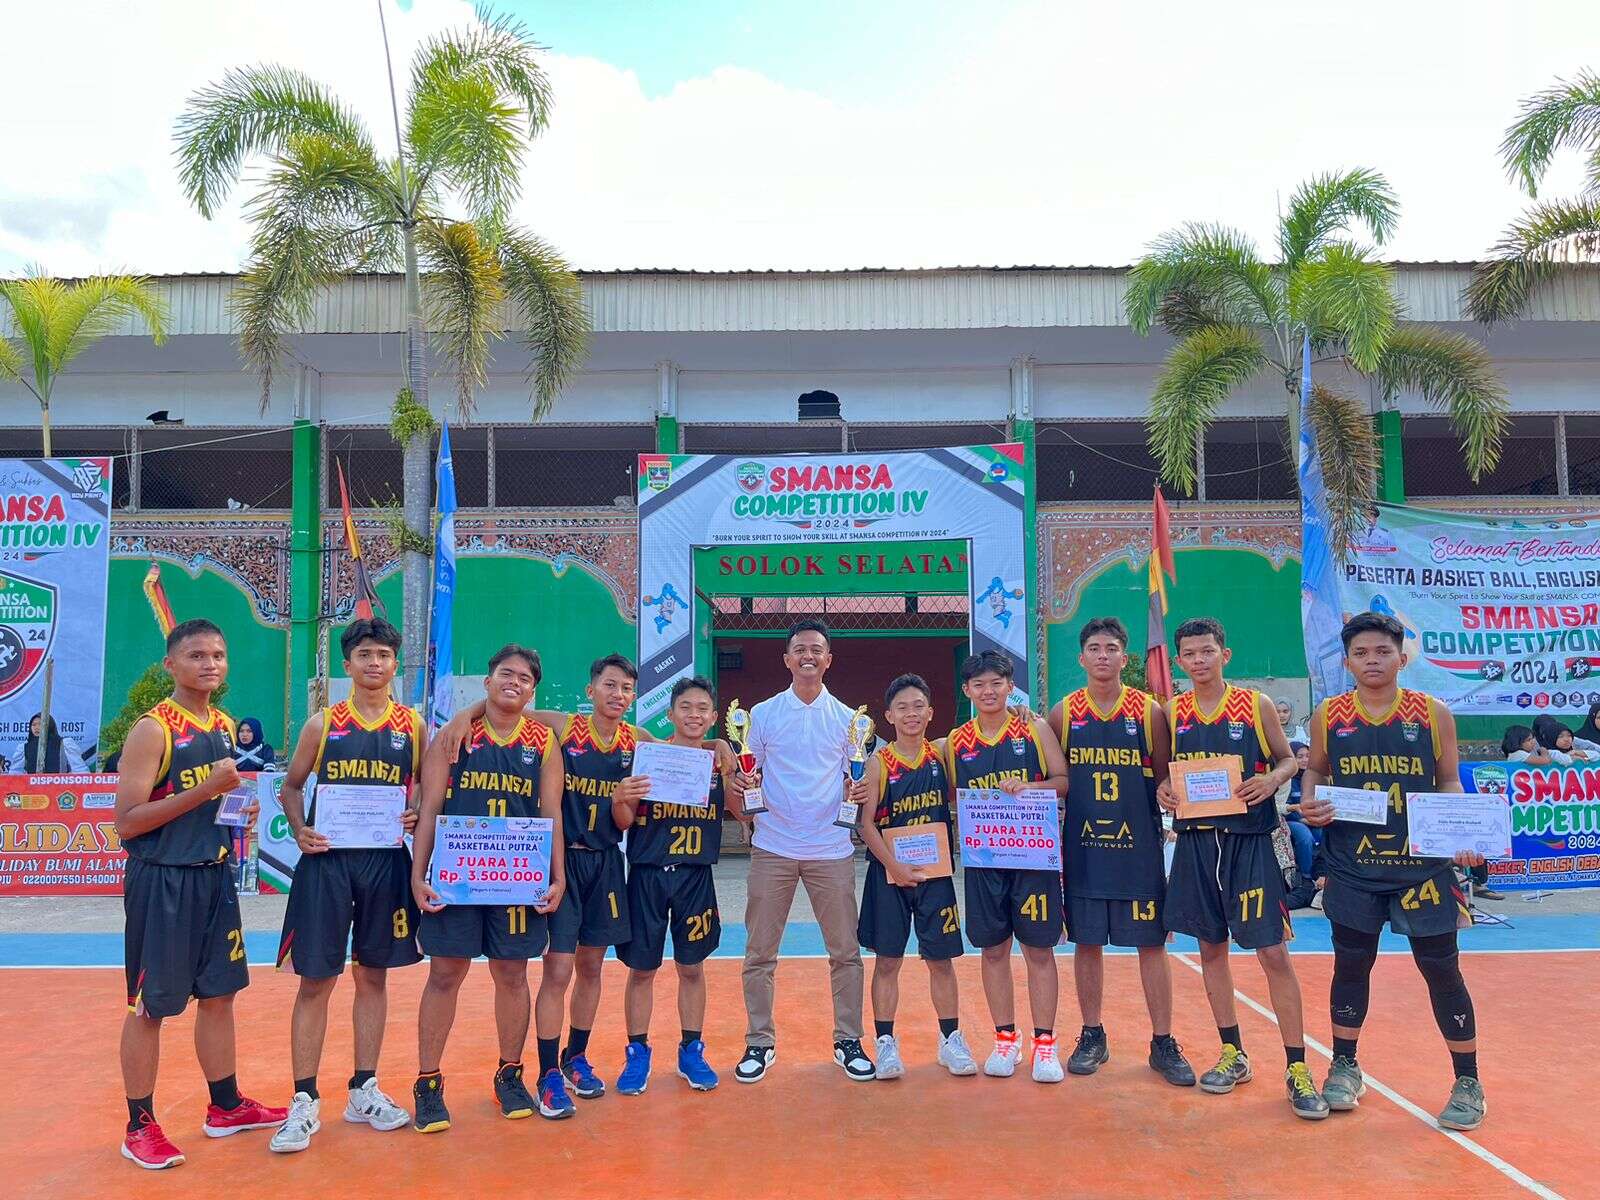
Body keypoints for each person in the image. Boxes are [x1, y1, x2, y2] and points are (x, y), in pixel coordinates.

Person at [437, 652, 653, 1108]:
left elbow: (681, 750)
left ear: (634, 697)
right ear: (591, 690)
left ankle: (577, 1057)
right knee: (557, 970)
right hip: (560, 861)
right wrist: (462, 714)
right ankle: (548, 1070)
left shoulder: (636, 740)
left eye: (626, 689)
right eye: (609, 685)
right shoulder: (564, 727)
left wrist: (720, 745)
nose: (618, 694)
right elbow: (507, 706)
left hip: (606, 864)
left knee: (592, 968)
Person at [1300, 611, 1489, 1131]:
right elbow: (1315, 769)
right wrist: (1311, 801)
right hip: (1353, 865)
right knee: (1351, 967)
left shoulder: (1433, 713)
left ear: (1402, 657)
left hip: (1421, 869)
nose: (1372, 661)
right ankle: (1344, 1066)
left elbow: (1448, 780)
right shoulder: (1329, 714)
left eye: (1382, 651)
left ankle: (1468, 1081)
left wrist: (1461, 832)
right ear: (1347, 662)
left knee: (1442, 971)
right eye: (1360, 653)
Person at [113, 618, 285, 1169]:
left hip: (214, 876)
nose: (209, 664)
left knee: (219, 996)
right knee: (150, 1006)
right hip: (163, 880)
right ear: (171, 665)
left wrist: (237, 813)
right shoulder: (153, 729)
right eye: (196, 655)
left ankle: (226, 1105)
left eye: (217, 655)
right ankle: (139, 1125)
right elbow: (127, 821)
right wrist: (207, 789)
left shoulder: (224, 725)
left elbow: (212, 803)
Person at [1159, 617, 1329, 1120]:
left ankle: (1297, 1067)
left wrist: (1271, 781)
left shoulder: (1254, 704)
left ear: (1224, 655)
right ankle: (1233, 1052)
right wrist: (1163, 790)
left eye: (1207, 651)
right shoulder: (1172, 711)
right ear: (1179, 661)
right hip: (1197, 844)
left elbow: (1288, 761)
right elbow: (1164, 775)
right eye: (1190, 654)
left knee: (1272, 953)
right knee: (1210, 949)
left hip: (1250, 842)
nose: (1199, 660)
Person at [270, 618, 425, 1154]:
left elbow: (423, 786)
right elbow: (292, 787)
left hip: (385, 862)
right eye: (365, 655)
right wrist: (299, 829)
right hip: (328, 864)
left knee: (373, 976)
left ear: (395, 664)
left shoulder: (413, 725)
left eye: (383, 654)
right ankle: (304, 1098)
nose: (374, 663)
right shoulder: (323, 723)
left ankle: (363, 1089)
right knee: (315, 980)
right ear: (348, 664)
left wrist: (415, 810)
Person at [409, 645, 567, 1131]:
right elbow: (430, 808)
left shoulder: (542, 741)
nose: (514, 682)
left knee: (513, 974)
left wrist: (558, 876)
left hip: (516, 878)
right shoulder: (454, 735)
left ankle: (509, 1074)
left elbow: (551, 813)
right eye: (505, 673)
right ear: (488, 680)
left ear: (533, 690)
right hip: (458, 876)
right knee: (445, 974)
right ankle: (428, 1083)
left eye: (524, 678)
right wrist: (418, 874)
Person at [1048, 617, 1194, 1087]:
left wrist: (1170, 791)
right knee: (1086, 942)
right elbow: (1052, 777)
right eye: (1095, 648)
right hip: (1084, 849)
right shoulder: (1064, 713)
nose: (1103, 655)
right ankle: (1092, 1034)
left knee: (1151, 944)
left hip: (1139, 848)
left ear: (1124, 657)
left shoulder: (1149, 711)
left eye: (1111, 648)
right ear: (1082, 657)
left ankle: (1163, 1040)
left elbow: (1165, 774)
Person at [736, 619, 875, 1084]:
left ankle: (848, 1040)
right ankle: (759, 1042)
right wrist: (745, 782)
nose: (808, 656)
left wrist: (858, 792)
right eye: (800, 649)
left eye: (816, 649)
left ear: (828, 659)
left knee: (845, 953)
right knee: (759, 953)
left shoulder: (849, 720)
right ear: (787, 659)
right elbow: (750, 772)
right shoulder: (763, 714)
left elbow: (858, 777)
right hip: (772, 846)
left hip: (831, 848)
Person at [947, 649, 1070, 1084]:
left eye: (996, 683)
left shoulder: (1034, 728)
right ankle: (1005, 1039)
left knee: (1039, 950)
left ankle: (1045, 1044)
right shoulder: (957, 741)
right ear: (967, 690)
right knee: (993, 949)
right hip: (985, 862)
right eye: (979, 685)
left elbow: (1063, 781)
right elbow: (952, 794)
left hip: (1033, 858)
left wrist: (1031, 787)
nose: (988, 691)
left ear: (1010, 686)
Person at [612, 675, 736, 1095]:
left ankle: (691, 1050)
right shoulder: (649, 757)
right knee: (642, 970)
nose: (694, 715)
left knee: (692, 968)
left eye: (702, 709)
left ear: (714, 717)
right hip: (647, 874)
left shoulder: (720, 764)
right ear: (670, 714)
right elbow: (624, 822)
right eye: (686, 707)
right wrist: (621, 799)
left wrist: (746, 785)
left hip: (695, 876)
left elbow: (742, 812)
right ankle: (637, 1052)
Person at [857, 673, 976, 1079]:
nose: (911, 713)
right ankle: (885, 1043)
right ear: (889, 716)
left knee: (941, 961)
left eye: (918, 706)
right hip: (889, 874)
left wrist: (1022, 714)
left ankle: (950, 1039)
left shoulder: (942, 753)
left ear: (930, 712)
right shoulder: (878, 762)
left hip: (934, 874)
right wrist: (894, 865)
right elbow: (865, 824)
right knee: (887, 961)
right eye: (902, 707)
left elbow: (985, 731)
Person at [20, 711, 87, 773]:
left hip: (59, 782)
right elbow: (16, 772)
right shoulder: (25, 747)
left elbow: (79, 769)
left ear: (49, 725)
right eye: (33, 725)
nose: (36, 727)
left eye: (40, 724)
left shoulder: (64, 743)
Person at [1534, 714, 1600, 762]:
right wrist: (1572, 757)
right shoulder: (1536, 746)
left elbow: (1596, 751)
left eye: (1569, 735)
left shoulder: (1571, 740)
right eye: (1560, 736)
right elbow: (1557, 756)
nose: (1566, 739)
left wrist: (1576, 752)